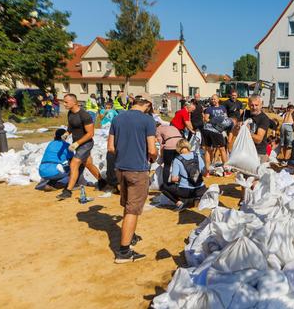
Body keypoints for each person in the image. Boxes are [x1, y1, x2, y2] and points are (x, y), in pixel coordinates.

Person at [108, 98, 157, 263]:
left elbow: (111, 147)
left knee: (128, 205)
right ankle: (124, 252)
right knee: (132, 210)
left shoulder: (117, 118)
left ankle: (130, 235)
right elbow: (151, 149)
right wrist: (153, 157)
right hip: (138, 170)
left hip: (121, 168)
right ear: (147, 105)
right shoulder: (148, 120)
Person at [56, 94, 106, 199]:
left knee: (74, 164)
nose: (64, 104)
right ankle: (102, 181)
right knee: (88, 164)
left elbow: (90, 134)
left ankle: (68, 191)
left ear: (74, 102)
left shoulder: (85, 115)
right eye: (64, 102)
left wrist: (77, 143)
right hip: (78, 143)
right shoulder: (70, 113)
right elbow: (71, 127)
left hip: (86, 144)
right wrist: (66, 134)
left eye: (66, 102)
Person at [160, 139, 207, 211]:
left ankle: (179, 203)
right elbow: (204, 173)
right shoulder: (197, 156)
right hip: (201, 189)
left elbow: (174, 179)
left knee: (163, 187)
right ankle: (196, 198)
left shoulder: (177, 159)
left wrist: (181, 179)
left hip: (186, 191)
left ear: (178, 148)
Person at [242, 95, 271, 163]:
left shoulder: (264, 119)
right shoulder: (245, 114)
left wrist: (247, 131)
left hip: (258, 153)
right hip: (244, 151)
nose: (254, 107)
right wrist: (237, 127)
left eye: (256, 105)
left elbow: (258, 139)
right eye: (252, 105)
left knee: (256, 173)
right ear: (248, 105)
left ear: (261, 105)